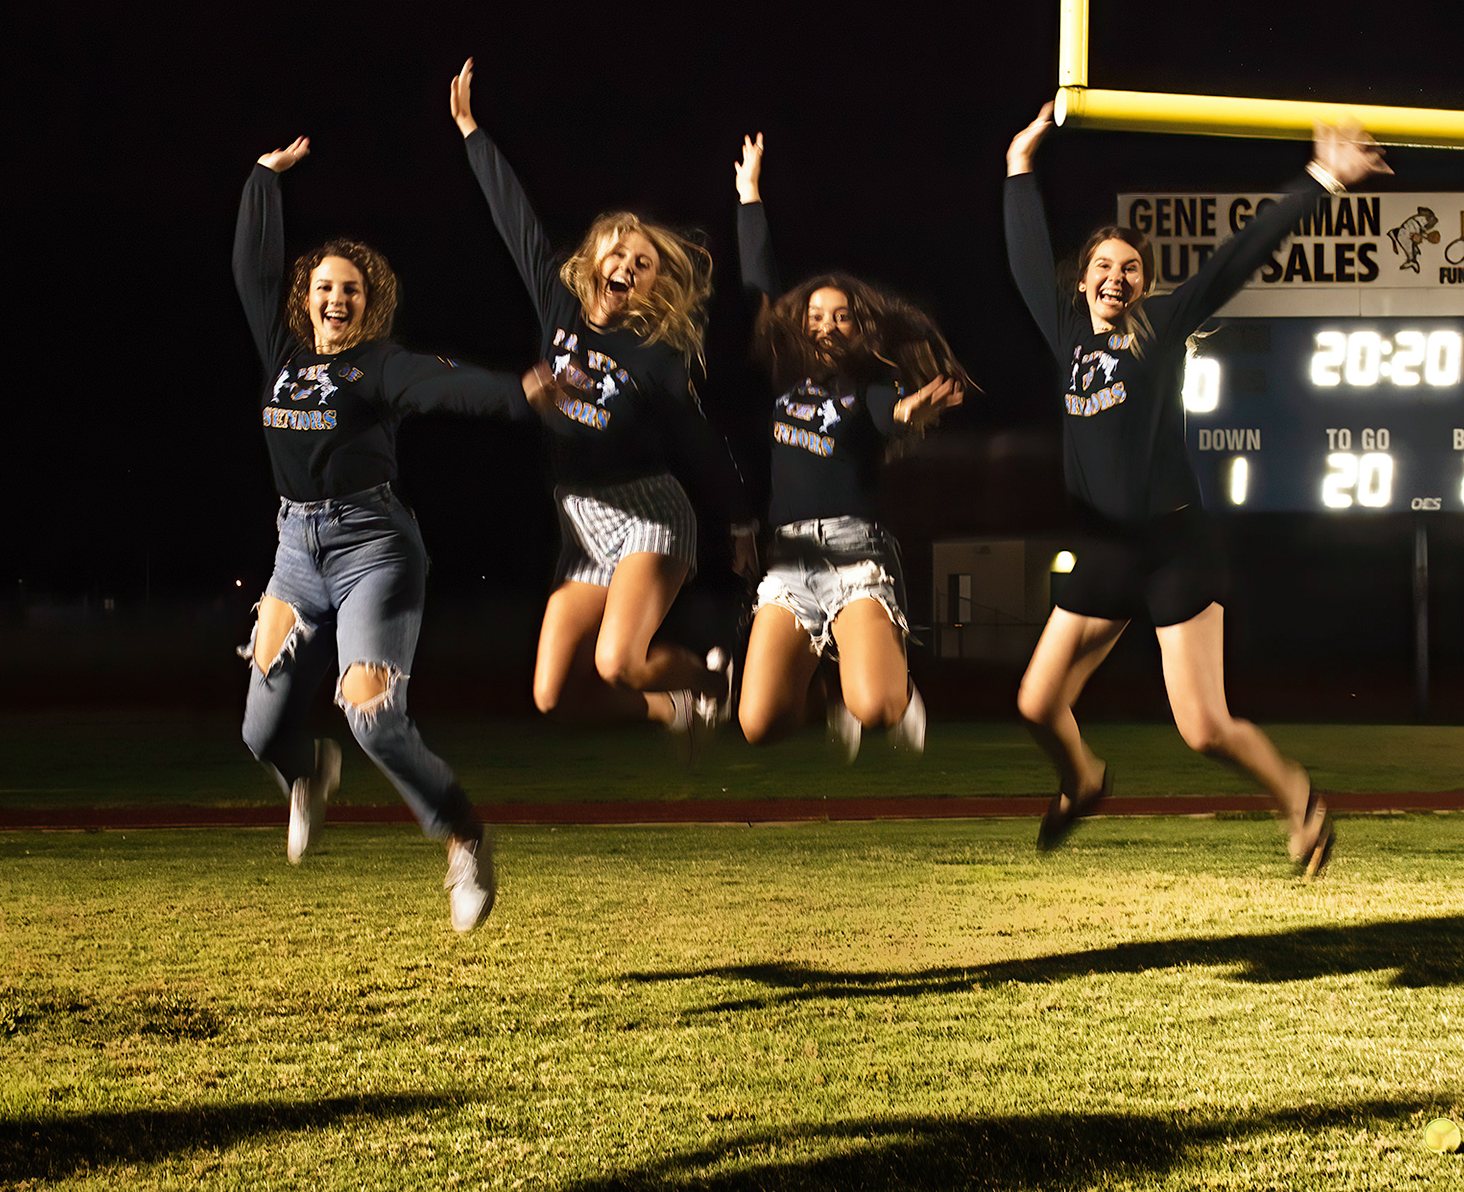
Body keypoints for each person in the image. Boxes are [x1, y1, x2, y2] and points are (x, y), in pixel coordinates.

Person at [1004, 107, 1391, 877]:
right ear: (1082, 280)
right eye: (1103, 268)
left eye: (1130, 270)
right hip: (1104, 550)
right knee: (1036, 705)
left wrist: (1320, 180)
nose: (1116, 278)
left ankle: (1300, 802)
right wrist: (1019, 163)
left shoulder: (1163, 325)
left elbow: (1237, 258)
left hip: (1174, 549)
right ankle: (1083, 779)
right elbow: (1023, 255)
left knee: (1204, 728)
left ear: (1143, 285)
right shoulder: (1066, 331)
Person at [234, 135, 549, 931]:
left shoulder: (379, 365)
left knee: (370, 711)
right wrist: (264, 182)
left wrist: (519, 391)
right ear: (306, 295)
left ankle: (463, 835)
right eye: (324, 287)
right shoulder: (281, 354)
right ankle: (307, 776)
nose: (335, 299)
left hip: (373, 547)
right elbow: (252, 271)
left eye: (350, 290)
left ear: (367, 301)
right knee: (259, 729)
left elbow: (446, 387)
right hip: (294, 549)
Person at [449, 59, 753, 736]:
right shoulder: (558, 303)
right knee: (553, 695)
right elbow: (515, 220)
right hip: (582, 522)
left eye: (643, 265)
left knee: (618, 661)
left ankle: (711, 680)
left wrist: (737, 521)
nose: (628, 265)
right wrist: (472, 131)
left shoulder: (656, 356)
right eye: (619, 254)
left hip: (648, 512)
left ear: (651, 287)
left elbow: (699, 438)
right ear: (594, 262)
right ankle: (676, 709)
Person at [731, 133, 967, 759]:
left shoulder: (869, 385)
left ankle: (888, 687)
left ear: (858, 326)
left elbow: (888, 417)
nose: (826, 324)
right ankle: (821, 682)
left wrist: (910, 411)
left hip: (854, 552)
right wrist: (750, 196)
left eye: (840, 315)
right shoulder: (783, 371)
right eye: (815, 314)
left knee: (879, 709)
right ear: (798, 324)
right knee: (759, 724)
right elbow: (759, 285)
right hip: (787, 561)